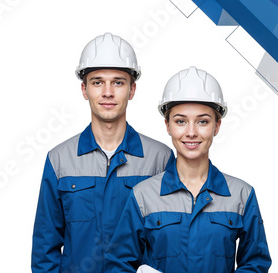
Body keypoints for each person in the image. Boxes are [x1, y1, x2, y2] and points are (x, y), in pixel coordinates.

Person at [31, 32, 174, 273]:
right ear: (84, 89)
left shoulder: (159, 160)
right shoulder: (59, 160)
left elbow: (170, 244)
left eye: (118, 82)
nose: (107, 92)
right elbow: (45, 248)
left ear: (132, 89)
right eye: (97, 82)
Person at [105, 66, 272, 272]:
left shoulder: (241, 195)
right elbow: (118, 264)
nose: (191, 132)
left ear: (217, 126)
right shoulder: (143, 195)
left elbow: (256, 263)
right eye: (181, 121)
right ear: (167, 126)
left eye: (202, 121)